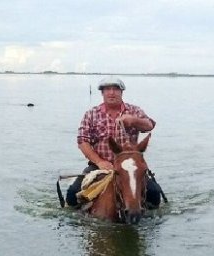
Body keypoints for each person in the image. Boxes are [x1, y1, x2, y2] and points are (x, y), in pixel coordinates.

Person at [66, 77, 162, 208]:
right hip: (99, 166)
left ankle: (148, 217)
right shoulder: (91, 114)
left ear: (122, 92)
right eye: (107, 89)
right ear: (102, 93)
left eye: (116, 89)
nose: (111, 93)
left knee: (155, 193)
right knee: (72, 194)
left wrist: (133, 120)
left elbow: (149, 125)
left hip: (129, 167)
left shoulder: (134, 111)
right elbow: (83, 141)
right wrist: (99, 162)